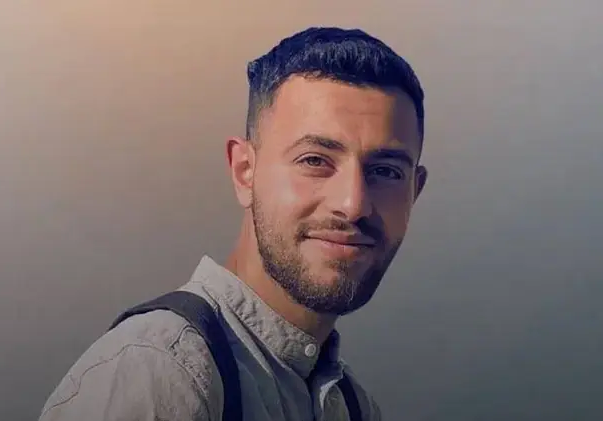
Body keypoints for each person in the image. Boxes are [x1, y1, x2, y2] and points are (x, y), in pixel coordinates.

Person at [38, 26, 427, 421]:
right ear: (244, 172)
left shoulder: (354, 407)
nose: (353, 204)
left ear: (415, 190)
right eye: (314, 160)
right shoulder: (161, 372)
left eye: (386, 171)